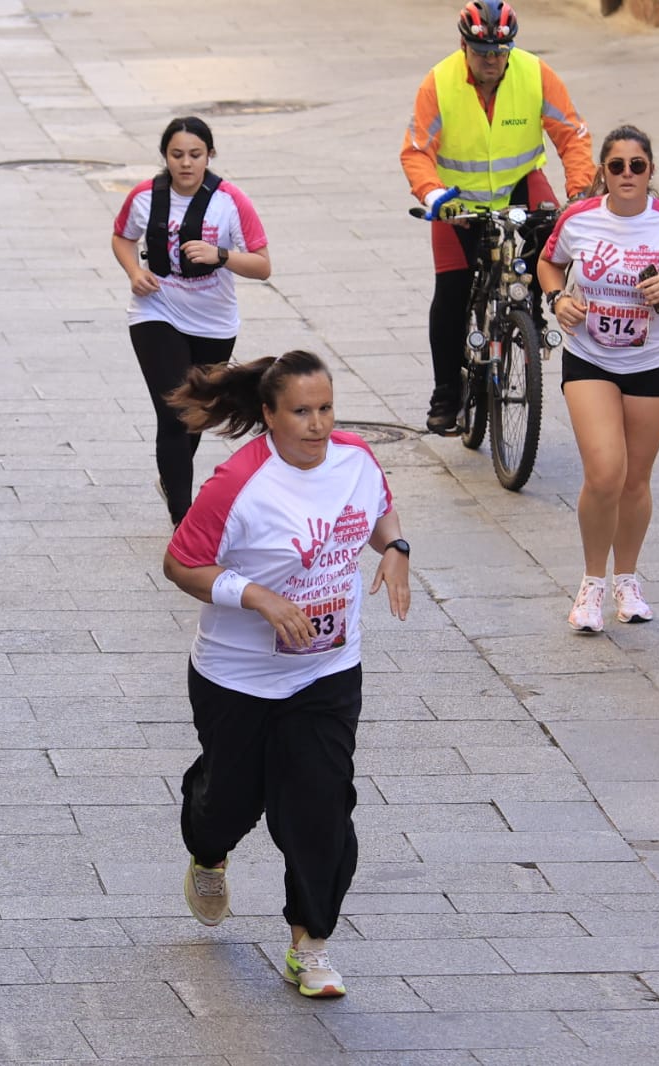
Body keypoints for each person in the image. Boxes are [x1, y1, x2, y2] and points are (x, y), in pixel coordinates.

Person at [161, 350, 411, 998]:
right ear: (269, 415)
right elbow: (182, 563)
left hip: (327, 671)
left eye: (326, 408)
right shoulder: (237, 484)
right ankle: (208, 850)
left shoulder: (357, 458)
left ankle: (311, 943)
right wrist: (258, 597)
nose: (318, 424)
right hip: (236, 677)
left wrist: (397, 548)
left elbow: (381, 511)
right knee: (231, 803)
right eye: (302, 411)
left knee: (320, 808)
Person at [538, 126, 659, 633]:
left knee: (636, 479)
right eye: (617, 166)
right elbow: (548, 263)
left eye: (637, 165)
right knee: (605, 473)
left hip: (654, 362)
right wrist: (558, 300)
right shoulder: (578, 219)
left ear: (651, 170)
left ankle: (627, 580)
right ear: (603, 173)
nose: (627, 175)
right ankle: (592, 584)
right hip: (590, 357)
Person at [401, 0, 595, 435]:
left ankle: (531, 322)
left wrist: (579, 190)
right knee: (451, 292)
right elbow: (416, 151)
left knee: (552, 239)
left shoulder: (535, 73)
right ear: (464, 45)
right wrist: (434, 196)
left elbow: (572, 134)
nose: (492, 59)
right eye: (482, 50)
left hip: (519, 186)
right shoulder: (438, 82)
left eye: (500, 50)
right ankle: (446, 394)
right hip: (458, 202)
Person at [112, 117, 272, 527]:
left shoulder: (231, 201)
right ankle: (183, 518)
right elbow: (121, 237)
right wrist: (134, 272)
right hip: (155, 310)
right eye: (176, 154)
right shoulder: (145, 196)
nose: (185, 163)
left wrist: (221, 255)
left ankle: (172, 478)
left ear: (210, 156)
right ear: (165, 156)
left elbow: (262, 265)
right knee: (175, 411)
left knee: (196, 413)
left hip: (213, 322)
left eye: (195, 155)